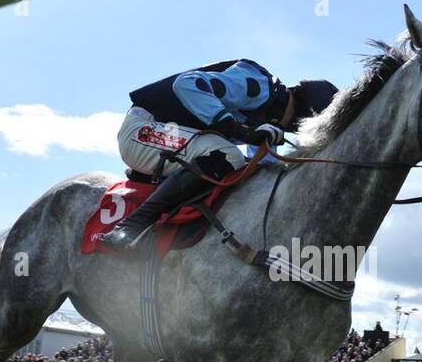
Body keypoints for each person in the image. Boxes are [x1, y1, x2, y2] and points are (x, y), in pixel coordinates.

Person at [101, 61, 338, 251]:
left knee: (242, 167)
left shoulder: (266, 117)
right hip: (142, 131)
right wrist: (240, 131)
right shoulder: (257, 83)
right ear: (304, 117)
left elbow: (265, 172)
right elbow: (186, 84)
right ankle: (129, 227)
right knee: (228, 155)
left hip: (169, 138)